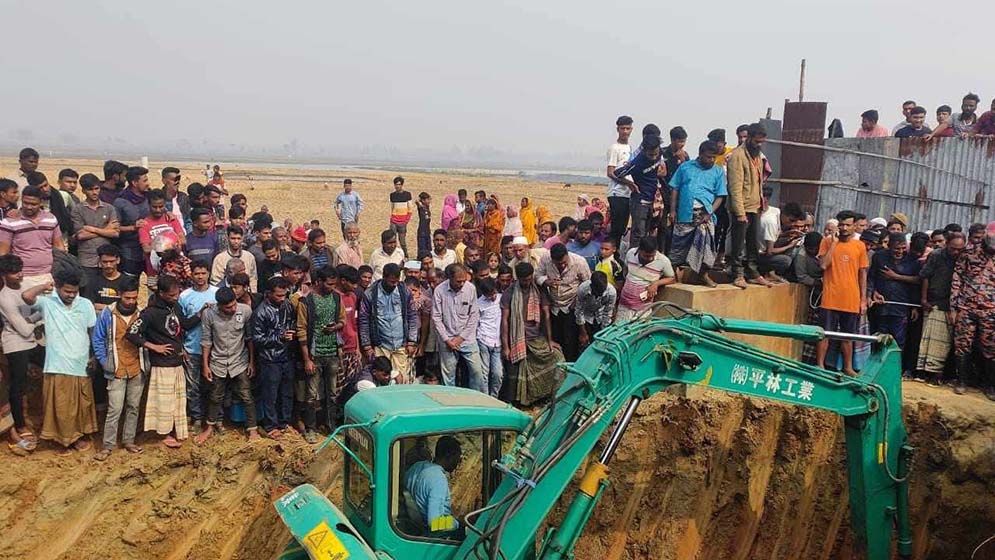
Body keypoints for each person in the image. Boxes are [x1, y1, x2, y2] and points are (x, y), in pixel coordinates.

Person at [22, 270, 97, 454]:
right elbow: (26, 296)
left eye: (74, 292)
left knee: (82, 405)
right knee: (61, 407)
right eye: (67, 291)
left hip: (81, 363)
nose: (71, 295)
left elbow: (92, 331)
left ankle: (78, 437)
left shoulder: (86, 304)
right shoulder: (47, 303)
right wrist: (43, 287)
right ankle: (63, 441)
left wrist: (94, 356)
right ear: (58, 288)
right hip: (57, 364)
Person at [126, 275, 191, 447]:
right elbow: (131, 334)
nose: (175, 297)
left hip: (177, 362)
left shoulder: (175, 307)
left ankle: (176, 430)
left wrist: (202, 312)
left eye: (177, 294)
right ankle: (164, 433)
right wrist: (153, 347)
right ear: (161, 293)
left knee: (177, 400)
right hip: (162, 365)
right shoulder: (149, 313)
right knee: (164, 401)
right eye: (171, 295)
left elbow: (182, 326)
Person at [195, 287, 258, 443]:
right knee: (215, 397)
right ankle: (209, 428)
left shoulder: (245, 311)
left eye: (234, 304)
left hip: (240, 361)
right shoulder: (209, 314)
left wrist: (251, 362)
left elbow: (249, 339)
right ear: (219, 305)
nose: (233, 308)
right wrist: (205, 365)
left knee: (247, 396)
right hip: (218, 362)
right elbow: (206, 341)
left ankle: (252, 429)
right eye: (228, 307)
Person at [91, 275, 144, 460]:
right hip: (116, 368)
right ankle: (108, 445)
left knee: (133, 406)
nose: (130, 301)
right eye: (127, 298)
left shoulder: (141, 313)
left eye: (133, 298)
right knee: (114, 408)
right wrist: (105, 362)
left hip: (137, 367)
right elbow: (97, 339)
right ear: (119, 295)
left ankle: (129, 440)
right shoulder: (107, 313)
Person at [500, 262, 563, 406]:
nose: (527, 282)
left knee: (557, 357)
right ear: (518, 278)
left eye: (529, 279)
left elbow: (546, 315)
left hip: (537, 337)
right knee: (514, 368)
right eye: (524, 280)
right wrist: (506, 347)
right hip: (517, 338)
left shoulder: (539, 290)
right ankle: (515, 403)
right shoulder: (509, 293)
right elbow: (505, 320)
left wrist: (549, 340)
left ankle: (547, 396)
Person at [815, 211, 869, 376]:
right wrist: (833, 243)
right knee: (825, 333)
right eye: (842, 225)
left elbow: (863, 274)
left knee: (848, 336)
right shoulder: (826, 241)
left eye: (848, 225)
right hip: (830, 297)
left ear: (854, 226)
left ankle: (847, 367)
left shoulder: (859, 246)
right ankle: (820, 365)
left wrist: (862, 299)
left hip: (851, 298)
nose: (844, 228)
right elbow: (823, 265)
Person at [668, 140, 727, 287]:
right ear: (700, 154)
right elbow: (675, 188)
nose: (711, 160)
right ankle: (673, 276)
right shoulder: (685, 167)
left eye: (714, 157)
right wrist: (673, 210)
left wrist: (709, 213)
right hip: (684, 212)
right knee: (678, 246)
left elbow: (720, 196)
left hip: (705, 214)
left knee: (707, 248)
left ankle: (703, 275)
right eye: (708, 157)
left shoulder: (718, 171)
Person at [297, 266, 345, 441]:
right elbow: (301, 331)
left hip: (332, 351)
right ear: (319, 282)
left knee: (332, 393)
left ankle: (331, 425)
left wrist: (335, 327)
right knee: (311, 394)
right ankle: (311, 428)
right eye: (329, 284)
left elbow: (342, 320)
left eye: (334, 284)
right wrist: (306, 359)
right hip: (314, 354)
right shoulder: (306, 302)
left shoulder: (336, 298)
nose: (332, 287)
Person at [0, 255, 41, 455]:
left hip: (34, 341)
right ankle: (20, 424)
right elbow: (24, 330)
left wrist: (32, 319)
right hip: (15, 343)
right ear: (4, 275)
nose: (19, 275)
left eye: (20, 270)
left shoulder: (27, 286)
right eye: (14, 272)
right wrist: (37, 317)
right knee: (17, 385)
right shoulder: (4, 297)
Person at [949, 222, 995, 398]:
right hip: (966, 307)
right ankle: (961, 381)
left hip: (991, 310)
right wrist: (954, 307)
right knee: (962, 345)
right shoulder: (968, 254)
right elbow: (957, 279)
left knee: (990, 348)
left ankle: (990, 385)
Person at [914, 232, 965, 384]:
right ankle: (924, 373)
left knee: (945, 342)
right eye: (953, 248)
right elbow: (925, 277)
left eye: (959, 249)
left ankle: (937, 374)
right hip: (933, 301)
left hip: (952, 305)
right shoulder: (936, 255)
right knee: (927, 339)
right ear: (947, 244)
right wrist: (923, 299)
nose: (956, 252)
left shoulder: (965, 259)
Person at [251, 276, 297, 437]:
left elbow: (293, 323)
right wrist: (280, 338)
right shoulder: (260, 312)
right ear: (269, 293)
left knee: (287, 392)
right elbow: (257, 339)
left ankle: (285, 423)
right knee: (270, 394)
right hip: (270, 359)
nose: (282, 298)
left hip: (287, 356)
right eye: (278, 295)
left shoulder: (288, 306)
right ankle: (270, 425)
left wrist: (292, 333)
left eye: (284, 295)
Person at [726, 123, 771, 289]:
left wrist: (761, 203)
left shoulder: (758, 156)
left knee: (754, 242)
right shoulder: (737, 156)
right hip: (742, 208)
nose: (759, 145)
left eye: (762, 142)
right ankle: (737, 274)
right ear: (749, 138)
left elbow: (759, 182)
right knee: (738, 244)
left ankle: (752, 272)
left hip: (755, 206)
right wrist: (739, 213)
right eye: (757, 141)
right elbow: (735, 187)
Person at [359, 263, 418, 382]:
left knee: (402, 380)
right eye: (392, 282)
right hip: (381, 346)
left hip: (400, 345)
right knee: (382, 380)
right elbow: (363, 320)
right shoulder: (370, 294)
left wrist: (412, 341)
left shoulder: (404, 291)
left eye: (397, 281)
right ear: (384, 277)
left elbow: (412, 316)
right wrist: (367, 346)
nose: (395, 284)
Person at [432, 264, 486, 391]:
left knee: (477, 372)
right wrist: (447, 340)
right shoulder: (439, 291)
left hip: (467, 339)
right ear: (449, 278)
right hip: (447, 340)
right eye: (458, 281)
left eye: (464, 281)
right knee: (448, 377)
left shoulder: (470, 288)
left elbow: (474, 316)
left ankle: (475, 400)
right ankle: (451, 403)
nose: (462, 284)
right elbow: (436, 318)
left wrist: (460, 338)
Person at [177, 261, 217, 433]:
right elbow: (179, 324)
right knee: (193, 387)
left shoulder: (216, 293)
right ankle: (196, 418)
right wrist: (181, 347)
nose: (200, 277)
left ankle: (214, 419)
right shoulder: (184, 296)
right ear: (191, 275)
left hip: (215, 350)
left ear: (208, 273)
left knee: (214, 386)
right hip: (192, 348)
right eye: (197, 274)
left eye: (203, 273)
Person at [0, 185, 65, 288]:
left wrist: (58, 270)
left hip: (47, 276)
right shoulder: (9, 222)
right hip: (21, 277)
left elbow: (59, 246)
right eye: (26, 203)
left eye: (33, 204)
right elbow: (3, 253)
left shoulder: (51, 219)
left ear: (41, 203)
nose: (29, 207)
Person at [868, 232, 921, 353]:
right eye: (897, 249)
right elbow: (871, 278)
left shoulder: (912, 260)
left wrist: (896, 276)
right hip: (882, 305)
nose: (900, 252)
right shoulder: (879, 257)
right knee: (879, 338)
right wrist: (873, 293)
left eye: (903, 248)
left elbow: (918, 281)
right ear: (889, 246)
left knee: (898, 340)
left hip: (901, 306)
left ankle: (894, 367)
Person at [612, 135, 666, 249]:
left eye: (656, 154)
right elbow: (617, 173)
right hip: (640, 201)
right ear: (644, 151)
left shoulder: (660, 152)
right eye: (651, 155)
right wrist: (630, 184)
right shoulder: (637, 163)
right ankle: (633, 259)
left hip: (654, 200)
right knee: (638, 234)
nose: (654, 157)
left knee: (649, 232)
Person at [405, 435, 463, 534]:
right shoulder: (438, 480)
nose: (458, 462)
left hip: (414, 525)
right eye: (457, 457)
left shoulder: (416, 467)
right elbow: (434, 523)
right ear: (449, 455)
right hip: (433, 535)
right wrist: (458, 524)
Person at [72, 174, 119, 285]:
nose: (94, 192)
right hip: (86, 260)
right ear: (83, 190)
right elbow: (80, 235)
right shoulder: (78, 209)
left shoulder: (109, 208)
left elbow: (115, 233)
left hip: (107, 261)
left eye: (96, 189)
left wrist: (92, 229)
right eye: (90, 189)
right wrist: (106, 229)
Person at [616, 237, 676, 322]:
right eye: (646, 256)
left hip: (643, 308)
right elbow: (626, 271)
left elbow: (672, 279)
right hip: (624, 304)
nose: (650, 258)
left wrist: (656, 283)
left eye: (652, 255)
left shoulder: (663, 261)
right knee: (620, 331)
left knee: (640, 332)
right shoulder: (630, 253)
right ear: (639, 250)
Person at [139, 189, 186, 287]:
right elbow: (146, 248)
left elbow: (182, 239)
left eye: (161, 206)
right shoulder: (144, 224)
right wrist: (167, 246)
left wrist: (172, 246)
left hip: (176, 270)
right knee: (155, 300)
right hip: (154, 272)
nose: (158, 210)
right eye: (154, 207)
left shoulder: (171, 219)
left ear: (165, 204)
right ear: (149, 205)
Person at [112, 166, 151, 276]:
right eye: (144, 181)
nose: (148, 183)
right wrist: (133, 227)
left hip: (150, 251)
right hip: (130, 252)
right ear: (134, 182)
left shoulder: (149, 196)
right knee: (130, 286)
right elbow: (115, 228)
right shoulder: (120, 201)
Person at [605, 115, 634, 248]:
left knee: (622, 227)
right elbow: (610, 172)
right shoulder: (614, 148)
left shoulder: (630, 148)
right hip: (617, 193)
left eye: (628, 128)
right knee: (616, 228)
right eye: (623, 128)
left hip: (627, 194)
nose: (625, 131)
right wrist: (627, 183)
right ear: (618, 129)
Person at [475, 277, 503, 397]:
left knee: (498, 373)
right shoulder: (479, 303)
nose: (492, 297)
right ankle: (485, 399)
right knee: (484, 373)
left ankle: (494, 397)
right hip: (483, 339)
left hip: (498, 342)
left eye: (493, 293)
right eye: (489, 295)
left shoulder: (502, 299)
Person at [335, 265, 363, 384]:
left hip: (352, 348)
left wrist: (357, 347)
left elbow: (354, 323)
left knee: (352, 384)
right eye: (353, 283)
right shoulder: (334, 297)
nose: (355, 286)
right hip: (339, 350)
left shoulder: (353, 296)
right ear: (343, 281)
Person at [82, 245, 132, 312]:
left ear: (118, 260)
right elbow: (88, 305)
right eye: (105, 262)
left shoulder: (127, 281)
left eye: (111, 261)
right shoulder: (92, 281)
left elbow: (129, 305)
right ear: (99, 261)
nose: (108, 265)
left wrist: (104, 307)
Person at [575, 271, 616, 349]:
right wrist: (583, 333)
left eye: (602, 292)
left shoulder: (611, 292)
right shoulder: (583, 289)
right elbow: (579, 311)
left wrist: (604, 334)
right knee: (583, 344)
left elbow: (607, 313)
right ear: (591, 286)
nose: (599, 295)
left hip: (600, 317)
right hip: (586, 317)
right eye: (597, 292)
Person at [211, 225, 258, 291]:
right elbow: (216, 281)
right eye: (233, 238)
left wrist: (252, 293)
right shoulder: (220, 258)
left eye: (238, 238)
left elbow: (253, 278)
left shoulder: (249, 257)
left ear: (242, 238)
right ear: (227, 238)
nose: (236, 241)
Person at [389, 176, 414, 257]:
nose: (397, 186)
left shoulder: (407, 194)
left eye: (399, 184)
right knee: (392, 239)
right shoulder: (392, 195)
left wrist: (406, 220)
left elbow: (410, 208)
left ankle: (406, 256)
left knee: (402, 241)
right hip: (394, 221)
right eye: (396, 184)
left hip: (403, 222)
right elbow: (392, 207)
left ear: (402, 185)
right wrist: (392, 218)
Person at [416, 192, 432, 257]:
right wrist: (420, 201)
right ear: (423, 200)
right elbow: (416, 201)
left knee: (429, 249)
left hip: (427, 231)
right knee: (422, 249)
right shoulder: (421, 208)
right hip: (422, 232)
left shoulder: (427, 207)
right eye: (427, 199)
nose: (429, 201)